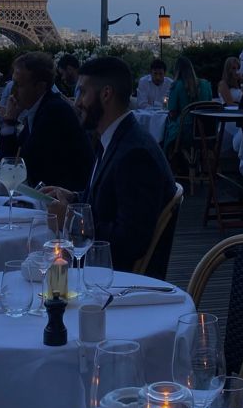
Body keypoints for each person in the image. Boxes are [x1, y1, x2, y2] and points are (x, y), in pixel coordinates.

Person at [44, 56, 176, 273]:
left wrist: (70, 219)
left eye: (82, 92)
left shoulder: (135, 155)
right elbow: (111, 203)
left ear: (106, 94)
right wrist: (74, 199)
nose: (77, 102)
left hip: (109, 281)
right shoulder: (118, 140)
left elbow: (129, 242)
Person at [0, 52, 93, 192]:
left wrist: (9, 121)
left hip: (63, 202)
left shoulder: (54, 113)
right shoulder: (43, 108)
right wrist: (9, 120)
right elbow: (13, 162)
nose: (14, 92)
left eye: (18, 85)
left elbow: (20, 165)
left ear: (40, 87)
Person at [163, 56, 213, 157]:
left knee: (165, 130)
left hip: (185, 132)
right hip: (207, 131)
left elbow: (172, 113)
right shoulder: (206, 84)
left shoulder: (176, 86)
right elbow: (210, 105)